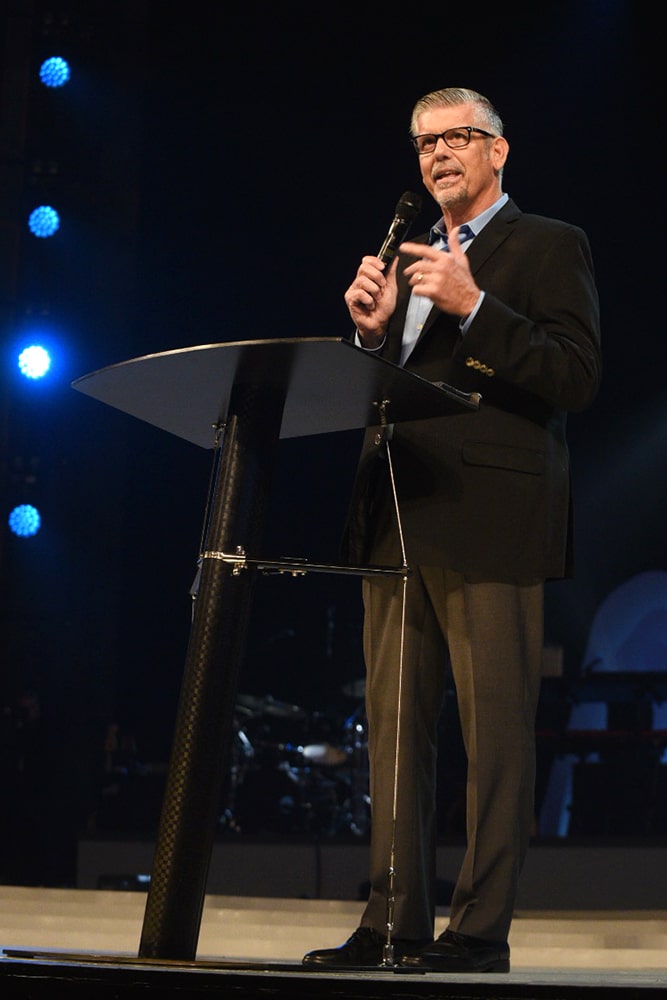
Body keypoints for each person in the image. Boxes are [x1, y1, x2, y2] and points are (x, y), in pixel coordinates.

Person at [302, 86, 601, 973]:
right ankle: (391, 920)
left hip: (493, 520)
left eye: (458, 138)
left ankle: (477, 932)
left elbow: (576, 376)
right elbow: (390, 386)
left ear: (498, 151)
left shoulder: (548, 244)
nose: (438, 155)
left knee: (495, 737)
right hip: (398, 513)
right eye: (424, 143)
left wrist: (475, 308)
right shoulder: (408, 255)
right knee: (394, 733)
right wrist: (368, 336)